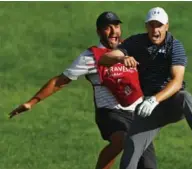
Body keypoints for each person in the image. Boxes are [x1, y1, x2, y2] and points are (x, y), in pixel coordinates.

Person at [9, 11, 157, 169]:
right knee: (122, 139)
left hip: (138, 114)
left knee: (148, 165)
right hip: (110, 113)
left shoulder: (131, 48)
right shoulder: (91, 57)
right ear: (99, 32)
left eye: (116, 26)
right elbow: (61, 81)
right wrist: (31, 102)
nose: (114, 32)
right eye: (108, 28)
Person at [99, 7, 192, 169]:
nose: (155, 30)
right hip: (150, 109)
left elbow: (177, 82)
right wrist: (122, 58)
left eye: (159, 25)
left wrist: (155, 100)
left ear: (166, 27)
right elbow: (104, 59)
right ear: (146, 27)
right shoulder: (137, 42)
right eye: (151, 25)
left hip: (171, 103)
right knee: (131, 151)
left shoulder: (174, 46)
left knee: (185, 97)